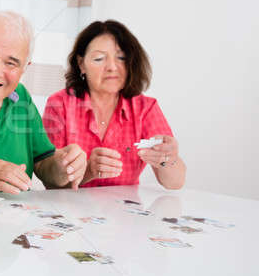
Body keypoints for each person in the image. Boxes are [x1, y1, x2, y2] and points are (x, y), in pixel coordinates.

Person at [0, 11, 87, 192]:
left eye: (11, 63)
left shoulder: (21, 96)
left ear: (25, 68)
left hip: (19, 218)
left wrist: (63, 166)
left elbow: (42, 164)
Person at [42, 20, 186, 189]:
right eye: (99, 58)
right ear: (81, 64)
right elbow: (50, 182)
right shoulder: (60, 104)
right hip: (71, 209)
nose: (112, 67)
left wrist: (168, 158)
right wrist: (89, 170)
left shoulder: (146, 108)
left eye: (121, 58)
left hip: (124, 212)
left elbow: (175, 183)